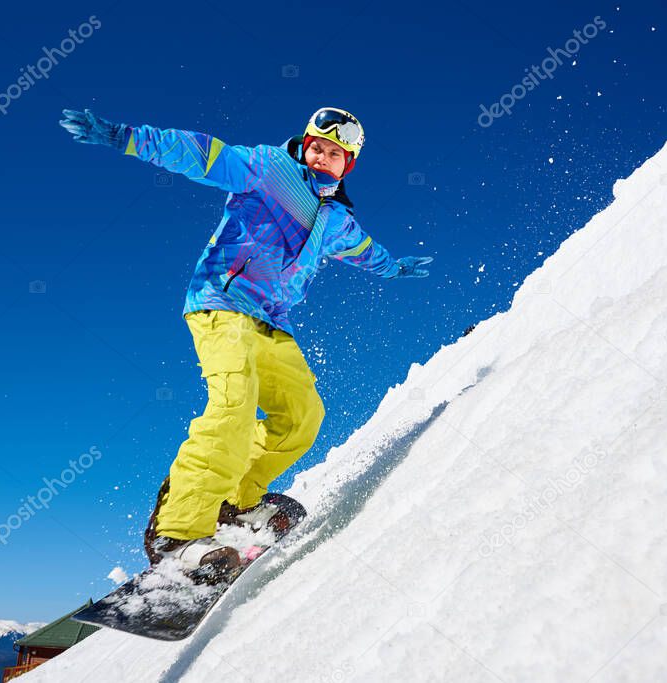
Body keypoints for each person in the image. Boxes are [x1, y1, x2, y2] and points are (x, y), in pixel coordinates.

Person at [60, 106, 433, 575]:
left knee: (302, 417)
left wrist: (394, 267)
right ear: (304, 143)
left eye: (335, 153)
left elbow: (362, 248)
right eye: (317, 145)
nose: (322, 156)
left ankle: (235, 502)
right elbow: (201, 154)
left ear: (349, 164)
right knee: (234, 406)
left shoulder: (333, 218)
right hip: (222, 302)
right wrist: (125, 137)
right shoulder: (269, 169)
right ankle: (178, 533)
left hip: (273, 323)